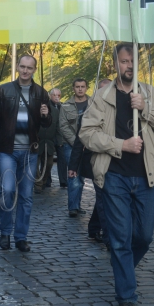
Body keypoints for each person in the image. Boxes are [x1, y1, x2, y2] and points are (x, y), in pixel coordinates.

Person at [79, 45, 154, 306]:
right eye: (124, 61)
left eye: (132, 61)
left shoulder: (150, 93)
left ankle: (124, 271)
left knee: (144, 234)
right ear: (115, 64)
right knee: (120, 238)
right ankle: (127, 297)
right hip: (114, 176)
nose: (129, 66)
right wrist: (121, 144)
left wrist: (145, 110)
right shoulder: (102, 97)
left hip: (145, 176)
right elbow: (87, 134)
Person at [0, 55, 52, 253]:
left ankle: (21, 237)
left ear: (34, 69)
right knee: (7, 191)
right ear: (17, 67)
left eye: (29, 68)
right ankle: (5, 232)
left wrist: (46, 114)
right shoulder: (4, 90)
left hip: (30, 152)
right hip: (7, 150)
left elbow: (47, 125)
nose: (25, 71)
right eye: (22, 67)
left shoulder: (41, 92)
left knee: (26, 196)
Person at [69, 79, 113, 247]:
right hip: (95, 161)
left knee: (107, 197)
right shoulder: (90, 110)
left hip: (115, 161)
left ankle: (94, 227)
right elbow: (80, 139)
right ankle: (109, 238)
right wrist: (73, 166)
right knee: (103, 198)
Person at [60, 78, 92, 217]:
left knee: (82, 176)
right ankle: (73, 207)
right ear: (73, 88)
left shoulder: (93, 103)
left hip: (89, 145)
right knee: (74, 175)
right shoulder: (66, 105)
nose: (80, 89)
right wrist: (77, 143)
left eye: (82, 86)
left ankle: (77, 205)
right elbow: (63, 126)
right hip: (70, 145)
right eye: (77, 86)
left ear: (86, 88)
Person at [35, 86, 62, 196]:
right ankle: (38, 184)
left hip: (49, 142)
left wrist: (59, 141)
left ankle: (44, 181)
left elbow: (58, 127)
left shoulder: (55, 111)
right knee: (34, 165)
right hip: (36, 142)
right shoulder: (34, 110)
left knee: (49, 164)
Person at [48, 89, 68, 188]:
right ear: (50, 95)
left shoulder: (63, 106)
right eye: (54, 95)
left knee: (63, 160)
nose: (56, 97)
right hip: (49, 137)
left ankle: (63, 181)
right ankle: (47, 180)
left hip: (61, 138)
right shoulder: (46, 106)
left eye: (58, 95)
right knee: (48, 160)